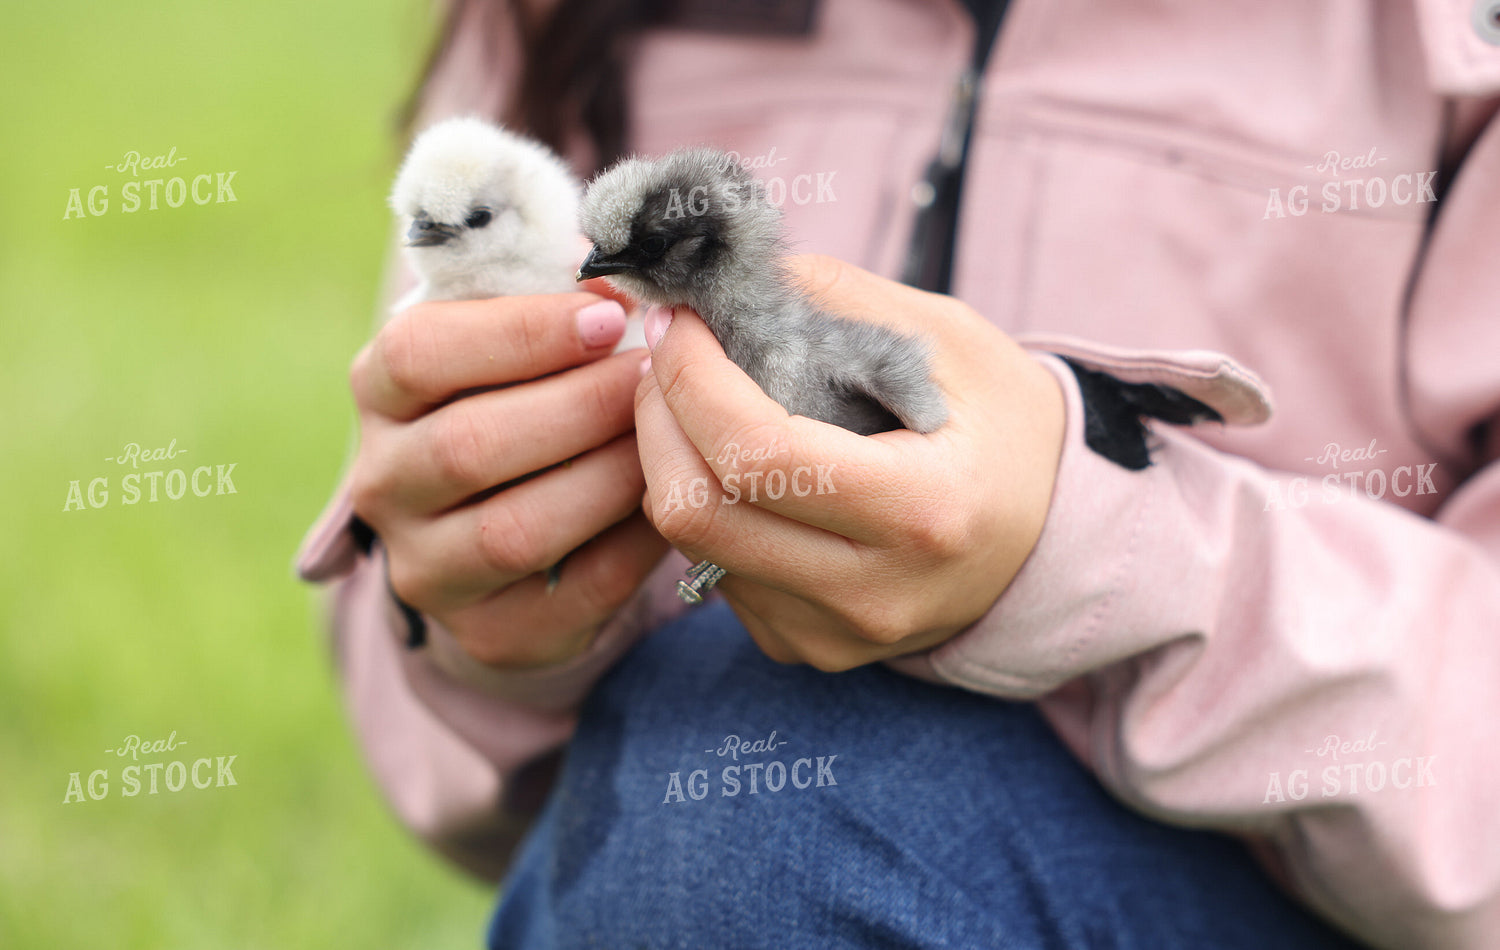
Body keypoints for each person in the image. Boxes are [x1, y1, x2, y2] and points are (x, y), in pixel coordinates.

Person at [296, 0, 1500, 946]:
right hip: (675, 855)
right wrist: (473, 595)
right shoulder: (562, 25)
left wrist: (1094, 554)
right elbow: (425, 717)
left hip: (1324, 899)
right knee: (729, 787)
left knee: (767, 805)